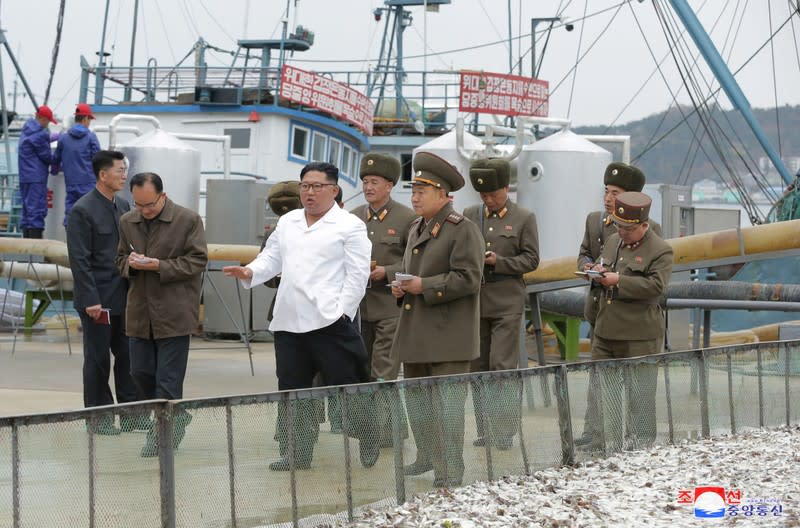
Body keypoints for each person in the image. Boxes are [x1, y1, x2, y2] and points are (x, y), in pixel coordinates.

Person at [223, 161, 378, 471]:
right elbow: (272, 259)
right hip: (289, 321)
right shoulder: (290, 221)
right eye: (305, 186)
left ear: (333, 190)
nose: (309, 192)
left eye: (317, 186)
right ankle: (298, 453)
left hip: (330, 322)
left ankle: (369, 435)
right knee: (293, 389)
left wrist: (342, 313)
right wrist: (249, 270)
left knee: (347, 385)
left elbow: (358, 275)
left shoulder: (349, 225)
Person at [390, 152, 483, 488]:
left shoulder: (462, 230)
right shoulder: (416, 227)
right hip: (417, 333)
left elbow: (470, 278)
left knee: (447, 410)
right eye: (413, 191)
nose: (414, 197)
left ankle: (449, 472)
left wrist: (423, 286)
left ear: (444, 195)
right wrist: (401, 287)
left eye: (422, 191)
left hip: (448, 337)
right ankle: (426, 457)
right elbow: (413, 271)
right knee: (418, 403)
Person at [115, 172, 208, 457]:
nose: (144, 211)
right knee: (139, 372)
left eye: (150, 205)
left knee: (168, 380)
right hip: (140, 313)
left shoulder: (188, 219)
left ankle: (162, 437)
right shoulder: (128, 222)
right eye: (138, 205)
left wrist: (159, 266)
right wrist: (130, 264)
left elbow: (198, 260)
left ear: (163, 197)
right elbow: (119, 259)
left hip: (175, 312)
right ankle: (177, 418)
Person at [575, 162, 662, 449]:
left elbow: (655, 282)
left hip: (634, 320)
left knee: (639, 388)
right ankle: (596, 434)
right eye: (606, 191)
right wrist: (588, 267)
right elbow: (586, 254)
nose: (609, 198)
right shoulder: (596, 222)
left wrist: (617, 280)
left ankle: (638, 438)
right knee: (600, 382)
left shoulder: (653, 234)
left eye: (616, 192)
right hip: (601, 311)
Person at [463, 157, 539, 450]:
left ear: (506, 188)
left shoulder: (524, 217)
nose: (488, 200)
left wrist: (501, 262)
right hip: (477, 300)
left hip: (507, 299)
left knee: (502, 366)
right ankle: (486, 429)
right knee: (478, 366)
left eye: (493, 194)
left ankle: (504, 430)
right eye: (483, 195)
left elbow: (531, 258)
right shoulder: (471, 214)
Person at [67, 150, 144, 435]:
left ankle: (131, 415)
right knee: (98, 359)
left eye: (125, 170)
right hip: (98, 301)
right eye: (119, 170)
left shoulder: (123, 205)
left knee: (129, 357)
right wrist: (90, 300)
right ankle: (98, 418)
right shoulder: (82, 210)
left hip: (124, 297)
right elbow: (80, 260)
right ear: (103, 175)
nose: (124, 175)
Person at [589, 191, 673, 452]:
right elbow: (605, 264)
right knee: (603, 391)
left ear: (644, 226)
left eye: (628, 228)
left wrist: (620, 281)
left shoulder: (660, 250)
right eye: (618, 225)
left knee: (641, 396)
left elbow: (656, 287)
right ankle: (605, 443)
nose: (622, 232)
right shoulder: (614, 241)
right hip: (606, 329)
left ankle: (641, 446)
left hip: (639, 334)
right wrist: (597, 273)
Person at [349, 153, 416, 446]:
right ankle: (393, 430)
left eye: (374, 182)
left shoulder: (407, 219)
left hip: (391, 306)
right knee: (362, 369)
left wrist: (385, 271)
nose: (368, 187)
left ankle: (374, 434)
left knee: (384, 370)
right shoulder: (351, 217)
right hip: (358, 309)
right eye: (365, 181)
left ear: (389, 185)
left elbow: (415, 260)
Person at [53, 103, 101, 226]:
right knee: (89, 213)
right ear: (85, 119)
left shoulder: (64, 138)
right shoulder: (91, 137)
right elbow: (98, 159)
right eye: (89, 119)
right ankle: (86, 243)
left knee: (71, 212)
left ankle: (71, 241)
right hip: (88, 182)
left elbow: (56, 158)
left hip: (71, 182)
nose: (89, 122)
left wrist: (54, 171)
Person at [18, 105, 57, 238]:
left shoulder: (27, 130)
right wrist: (58, 162)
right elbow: (47, 156)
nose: (47, 124)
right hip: (37, 178)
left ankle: (25, 251)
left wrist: (50, 138)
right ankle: (36, 251)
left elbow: (34, 142)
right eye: (47, 121)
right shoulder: (41, 134)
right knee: (37, 211)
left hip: (25, 177)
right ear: (42, 118)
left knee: (27, 212)